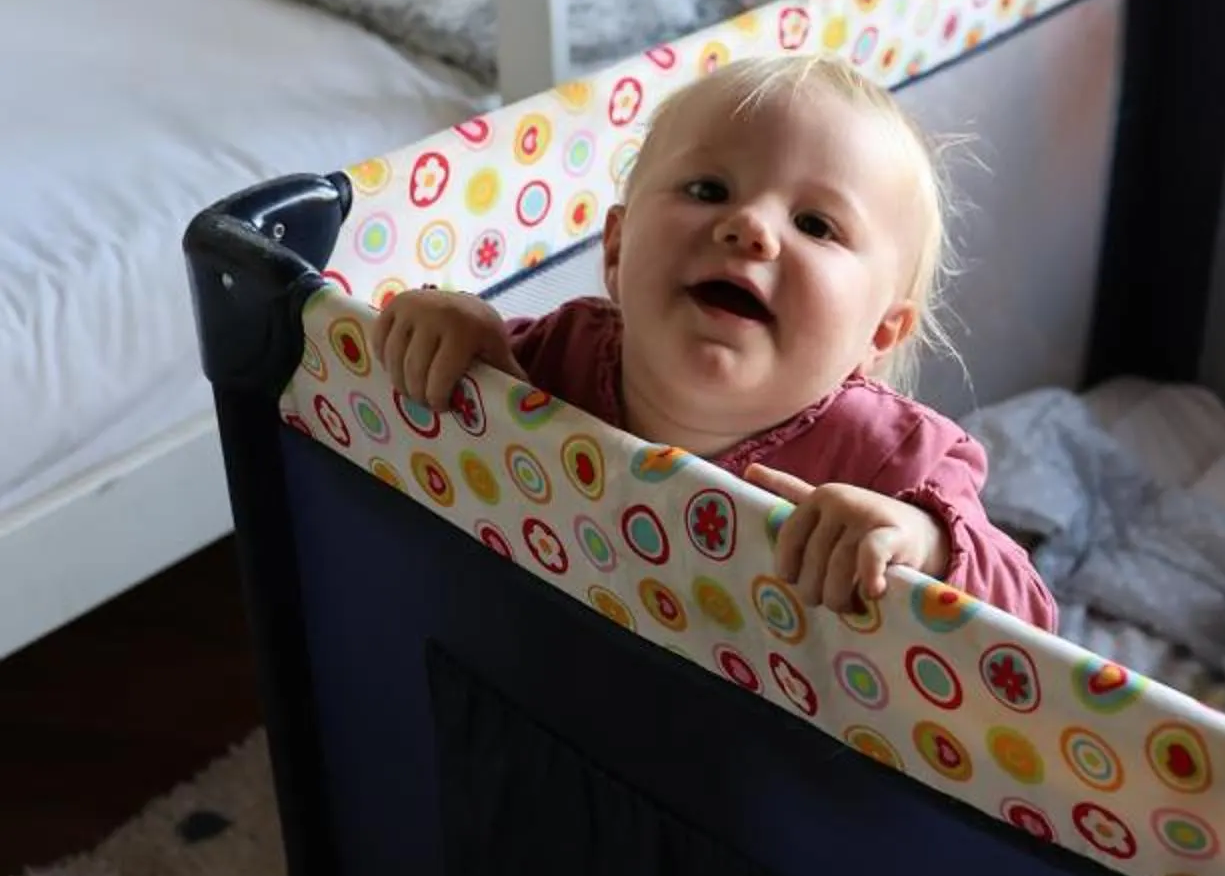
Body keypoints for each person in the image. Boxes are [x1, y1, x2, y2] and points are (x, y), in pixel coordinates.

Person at [375, 53, 1058, 628]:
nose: (750, 226)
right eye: (708, 188)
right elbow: (472, 366)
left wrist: (927, 546)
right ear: (615, 250)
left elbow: (1031, 621)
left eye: (817, 226)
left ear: (879, 332)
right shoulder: (560, 352)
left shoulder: (892, 459)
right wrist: (454, 328)